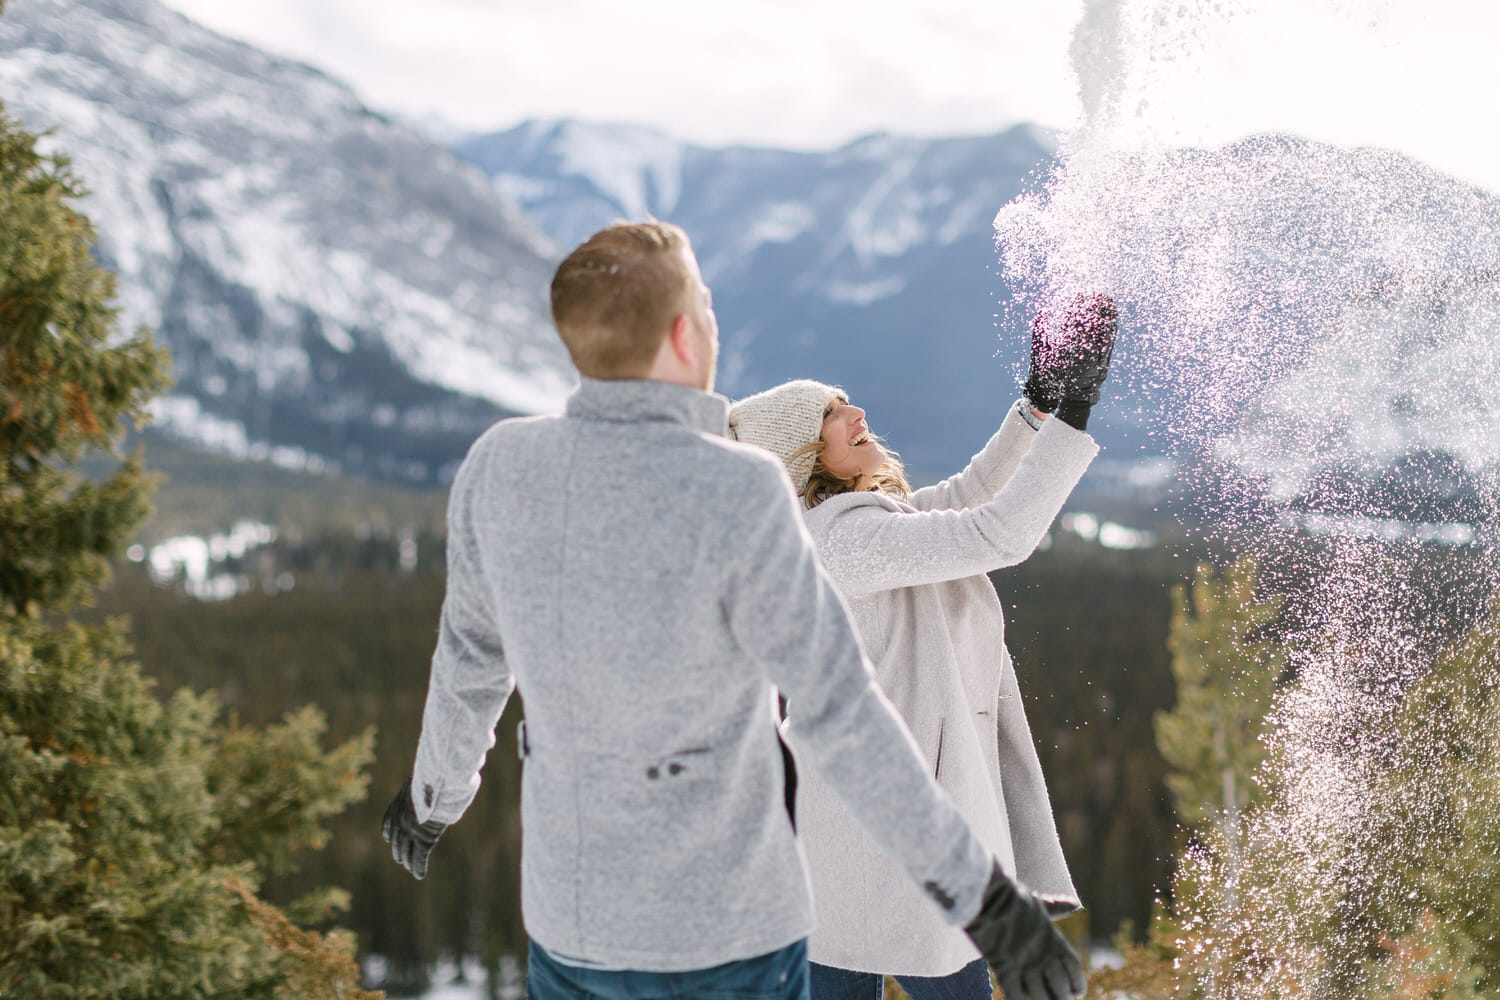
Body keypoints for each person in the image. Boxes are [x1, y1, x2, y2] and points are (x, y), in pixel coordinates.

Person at [379, 221, 1088, 1000]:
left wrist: (433, 796)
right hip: (732, 927)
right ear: (685, 336)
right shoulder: (744, 489)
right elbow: (840, 715)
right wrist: (989, 906)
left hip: (573, 916)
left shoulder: (499, 464)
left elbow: (471, 664)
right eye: (709, 307)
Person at [727, 293, 1118, 1000]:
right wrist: (1076, 412)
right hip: (893, 848)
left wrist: (1036, 402)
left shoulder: (860, 527)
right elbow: (1000, 532)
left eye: (845, 402)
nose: (856, 414)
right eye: (831, 417)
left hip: (855, 842)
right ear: (801, 459)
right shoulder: (844, 542)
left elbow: (970, 494)